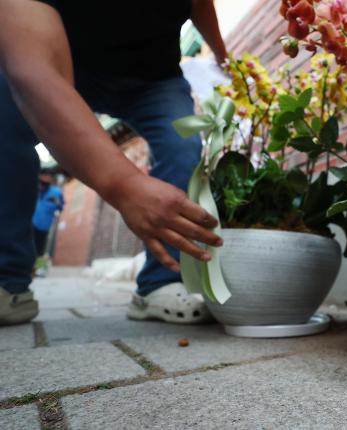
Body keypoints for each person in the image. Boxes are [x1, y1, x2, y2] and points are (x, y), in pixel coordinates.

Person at [0, 0, 229, 325]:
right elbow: (31, 69)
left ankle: (160, 283)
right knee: (5, 108)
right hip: (66, 60)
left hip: (155, 79)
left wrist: (221, 52)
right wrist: (124, 184)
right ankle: (8, 283)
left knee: (183, 145)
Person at [32, 171, 65, 260]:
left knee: (40, 250)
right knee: (28, 246)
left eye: (44, 184)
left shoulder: (56, 193)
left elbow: (61, 207)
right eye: (40, 183)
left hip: (44, 227)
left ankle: (36, 269)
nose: (41, 186)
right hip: (30, 224)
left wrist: (58, 204)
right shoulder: (33, 190)